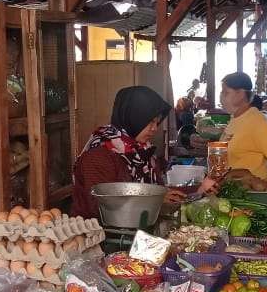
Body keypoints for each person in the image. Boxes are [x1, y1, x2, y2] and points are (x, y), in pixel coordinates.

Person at [72, 86, 186, 218]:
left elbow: (157, 190)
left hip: (136, 226)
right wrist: (155, 200)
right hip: (99, 233)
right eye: (149, 122)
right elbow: (103, 208)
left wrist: (197, 191)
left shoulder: (142, 150)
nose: (154, 128)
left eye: (157, 122)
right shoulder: (98, 155)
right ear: (132, 117)